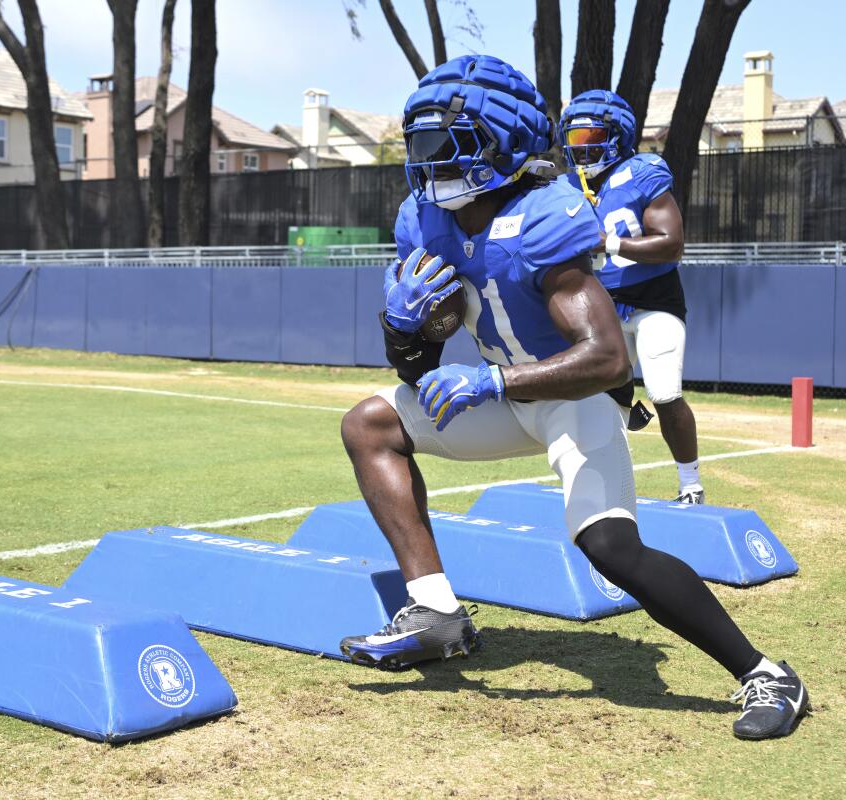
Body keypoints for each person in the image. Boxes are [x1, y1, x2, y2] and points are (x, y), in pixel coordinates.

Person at [337, 55, 809, 740]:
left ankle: (767, 674)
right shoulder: (426, 221)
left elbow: (608, 357)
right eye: (422, 144)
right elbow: (418, 370)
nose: (429, 160)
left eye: (447, 142)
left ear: (500, 142)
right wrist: (403, 328)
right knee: (370, 424)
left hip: (575, 395)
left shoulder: (543, 217)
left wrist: (492, 380)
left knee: (611, 547)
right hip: (504, 394)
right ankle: (436, 612)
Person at [559, 91, 703, 503]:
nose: (580, 146)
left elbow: (671, 244)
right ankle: (603, 489)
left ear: (617, 136)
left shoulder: (642, 172)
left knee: (663, 391)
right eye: (574, 136)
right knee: (598, 404)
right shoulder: (569, 186)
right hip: (602, 305)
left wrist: (610, 243)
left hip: (654, 300)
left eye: (590, 135)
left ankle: (690, 483)